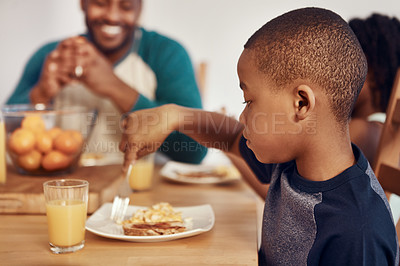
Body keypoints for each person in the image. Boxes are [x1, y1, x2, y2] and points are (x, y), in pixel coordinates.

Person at [119, 7, 399, 264]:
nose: (243, 117)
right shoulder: (292, 162)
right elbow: (229, 137)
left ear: (301, 103)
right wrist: (174, 115)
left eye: (249, 101)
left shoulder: (357, 233)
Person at [6, 0, 207, 164]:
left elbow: (194, 152)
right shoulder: (51, 55)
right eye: (100, 3)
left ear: (140, 7)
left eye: (126, 6)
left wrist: (113, 86)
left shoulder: (166, 53)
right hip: (65, 194)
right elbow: (7, 141)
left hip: (142, 197)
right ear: (82, 3)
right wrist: (40, 94)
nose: (112, 15)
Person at [348, 13, 400, 243]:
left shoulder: (364, 131)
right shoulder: (379, 129)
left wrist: (228, 139)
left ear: (374, 71)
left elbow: (277, 191)